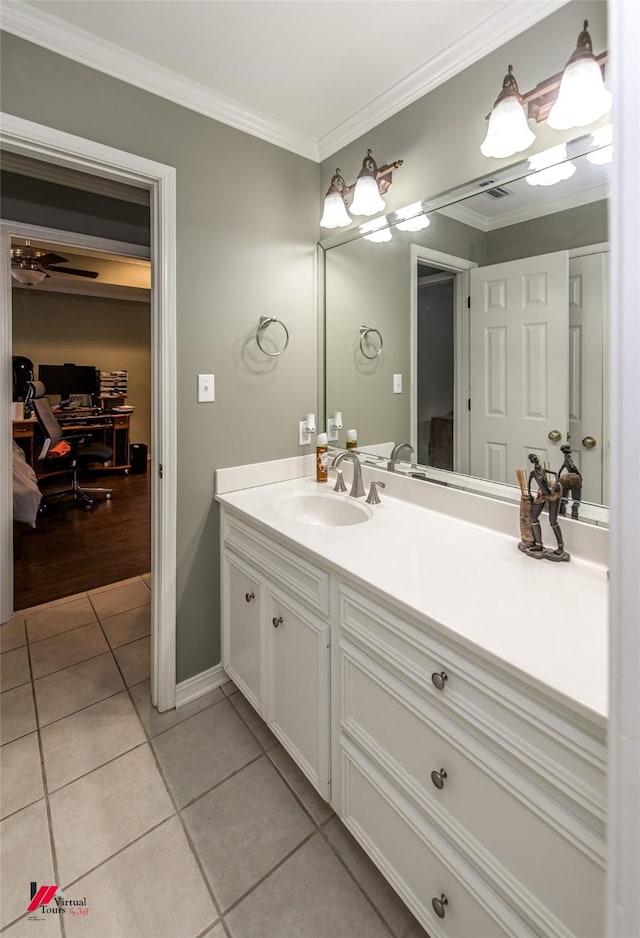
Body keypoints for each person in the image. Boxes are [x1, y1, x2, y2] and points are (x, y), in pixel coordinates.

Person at [526, 453, 570, 562]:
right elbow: (529, 484)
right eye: (533, 460)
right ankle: (538, 544)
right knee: (533, 518)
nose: (535, 462)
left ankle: (560, 547)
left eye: (535, 459)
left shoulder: (543, 471)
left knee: (553, 521)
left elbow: (555, 474)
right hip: (542, 494)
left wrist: (557, 483)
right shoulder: (533, 473)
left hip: (553, 493)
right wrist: (529, 495)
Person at [558, 444, 583, 519]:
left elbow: (561, 469)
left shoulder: (566, 459)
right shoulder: (568, 459)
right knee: (576, 499)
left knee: (564, 496)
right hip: (574, 478)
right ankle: (574, 512)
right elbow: (572, 467)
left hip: (566, 478)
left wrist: (558, 477)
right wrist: (578, 475)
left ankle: (563, 511)